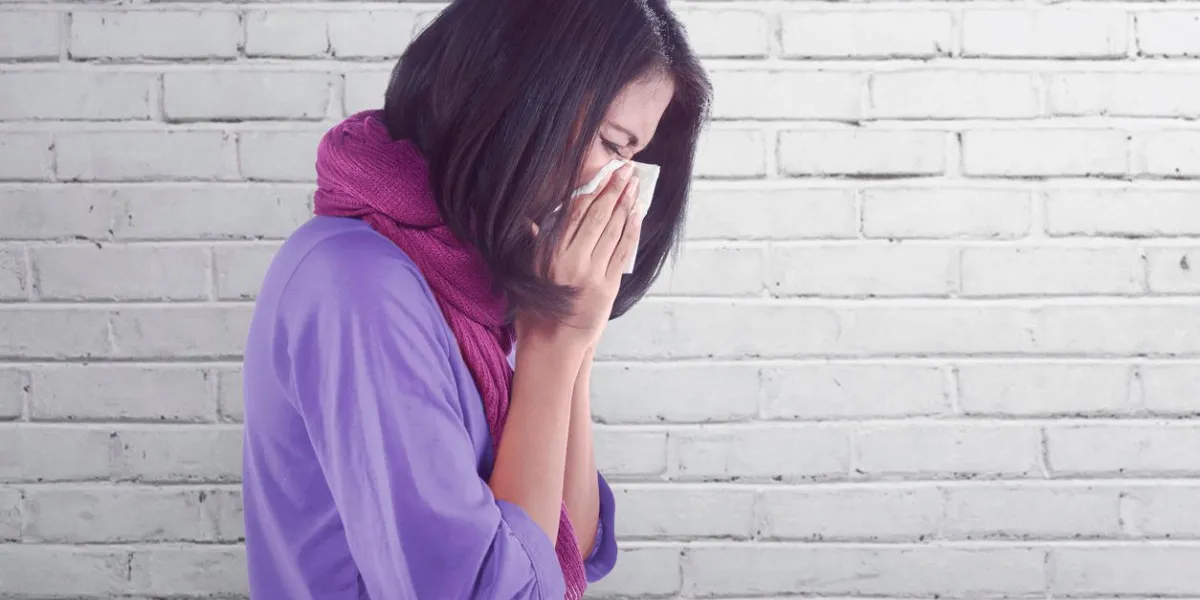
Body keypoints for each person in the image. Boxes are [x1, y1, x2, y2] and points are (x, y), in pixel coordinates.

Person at [239, 0, 711, 597]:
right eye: (613, 145)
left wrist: (576, 339)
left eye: (631, 159)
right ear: (522, 92)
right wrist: (553, 343)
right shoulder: (359, 284)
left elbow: (572, 541)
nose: (617, 185)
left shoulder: (480, 281)